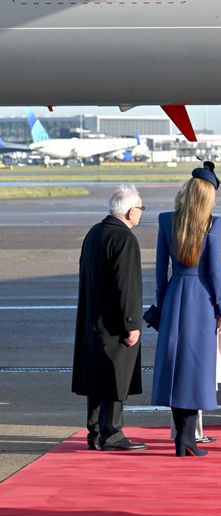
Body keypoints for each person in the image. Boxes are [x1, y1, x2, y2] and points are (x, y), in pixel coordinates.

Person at [151, 161, 221, 458]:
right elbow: (215, 271)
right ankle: (187, 439)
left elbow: (161, 270)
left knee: (174, 369)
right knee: (195, 370)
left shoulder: (166, 220)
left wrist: (161, 303)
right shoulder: (212, 223)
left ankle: (182, 439)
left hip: (175, 295)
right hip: (201, 298)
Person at [71, 185, 146, 451]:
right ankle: (112, 431)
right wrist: (132, 324)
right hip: (115, 323)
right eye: (140, 208)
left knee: (97, 378)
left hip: (93, 319)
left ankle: (95, 431)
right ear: (128, 211)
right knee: (116, 376)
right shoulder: (124, 239)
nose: (140, 213)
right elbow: (127, 286)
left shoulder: (95, 233)